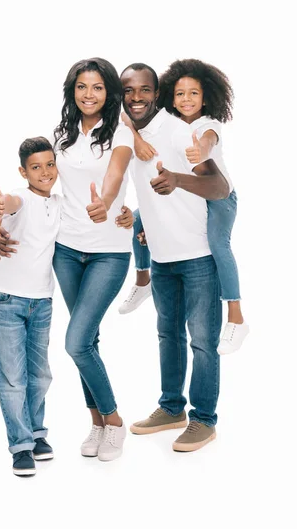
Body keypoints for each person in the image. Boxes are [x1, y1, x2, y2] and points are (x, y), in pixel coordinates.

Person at [0, 58, 134, 462]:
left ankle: (115, 421)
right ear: (73, 91)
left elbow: (117, 174)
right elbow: (39, 179)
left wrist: (107, 205)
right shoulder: (61, 134)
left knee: (76, 341)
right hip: (67, 250)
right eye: (82, 87)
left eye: (98, 87)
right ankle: (97, 424)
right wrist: (0, 218)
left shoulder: (121, 132)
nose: (89, 94)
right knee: (88, 341)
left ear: (109, 93)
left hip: (108, 252)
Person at [120, 63, 229, 452]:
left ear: (157, 93)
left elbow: (219, 186)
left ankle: (203, 420)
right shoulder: (126, 135)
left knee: (202, 341)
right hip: (162, 257)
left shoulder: (179, 130)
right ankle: (171, 408)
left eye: (145, 90)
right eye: (128, 90)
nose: (136, 97)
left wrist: (178, 179)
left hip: (198, 254)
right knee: (168, 336)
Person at [119, 59, 249, 355]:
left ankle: (237, 316)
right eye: (180, 94)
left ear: (206, 97)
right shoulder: (167, 123)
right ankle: (142, 280)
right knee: (140, 221)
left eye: (193, 93)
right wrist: (137, 138)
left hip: (220, 198)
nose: (186, 100)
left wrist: (199, 150)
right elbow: (127, 119)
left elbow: (207, 141)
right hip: (193, 200)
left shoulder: (206, 125)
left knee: (218, 244)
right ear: (169, 97)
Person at [0, 137, 60, 477]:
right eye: (36, 167)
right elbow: (12, 203)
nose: (44, 172)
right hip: (7, 299)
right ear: (23, 171)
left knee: (40, 374)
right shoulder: (22, 198)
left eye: (50, 164)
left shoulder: (59, 202)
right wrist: (0, 208)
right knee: (13, 379)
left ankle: (36, 432)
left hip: (42, 300)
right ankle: (20, 445)